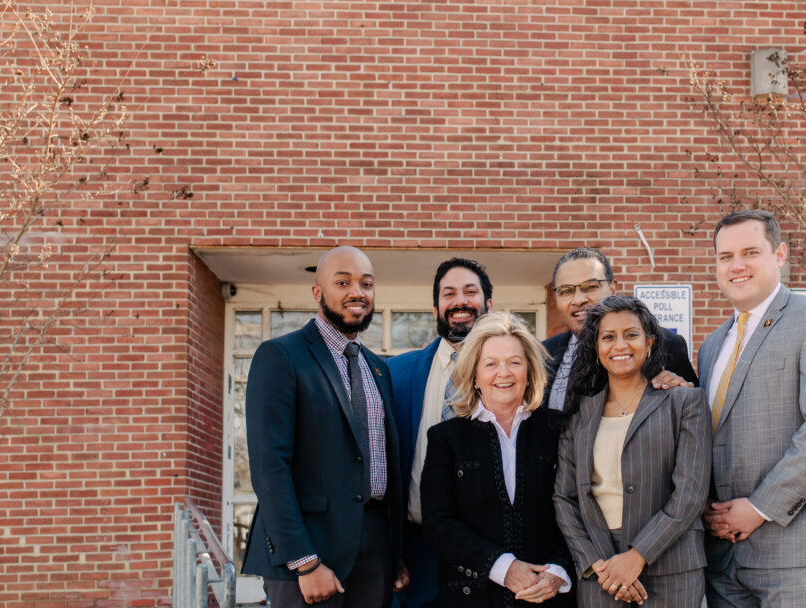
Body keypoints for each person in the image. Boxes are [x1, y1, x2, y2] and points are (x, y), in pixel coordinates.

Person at [698, 210, 806, 608]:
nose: (736, 265)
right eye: (725, 256)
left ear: (780, 254)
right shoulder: (710, 346)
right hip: (722, 550)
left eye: (750, 252)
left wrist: (759, 508)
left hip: (790, 544)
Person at [242, 245, 406, 608]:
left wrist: (393, 554)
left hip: (374, 550)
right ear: (318, 293)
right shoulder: (281, 356)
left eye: (366, 283)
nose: (357, 292)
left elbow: (384, 463)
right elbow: (270, 466)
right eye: (343, 282)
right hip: (309, 551)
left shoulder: (378, 368)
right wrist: (304, 561)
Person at [553, 296, 710, 607]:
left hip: (672, 568)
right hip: (601, 573)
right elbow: (565, 498)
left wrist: (638, 556)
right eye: (608, 337)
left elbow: (691, 492)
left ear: (649, 343)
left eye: (631, 334)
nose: (619, 345)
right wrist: (598, 564)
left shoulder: (684, 402)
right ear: (596, 348)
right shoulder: (579, 414)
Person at [421, 312, 573, 608]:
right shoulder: (446, 437)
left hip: (549, 595)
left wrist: (558, 571)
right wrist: (503, 568)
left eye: (514, 362)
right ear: (474, 375)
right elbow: (438, 522)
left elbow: (579, 509)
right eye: (490, 364)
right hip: (471, 597)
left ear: (529, 370)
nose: (503, 373)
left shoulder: (559, 429)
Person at [388, 258, 494, 608]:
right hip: (417, 554)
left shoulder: (517, 375)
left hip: (494, 555)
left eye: (470, 292)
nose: (459, 301)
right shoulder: (396, 374)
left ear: (488, 305)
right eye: (449, 294)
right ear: (436, 307)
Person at [542, 248, 697, 412]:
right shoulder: (544, 354)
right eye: (566, 291)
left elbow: (689, 411)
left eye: (590, 286)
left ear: (612, 287)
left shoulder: (666, 343)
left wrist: (680, 387)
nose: (579, 299)